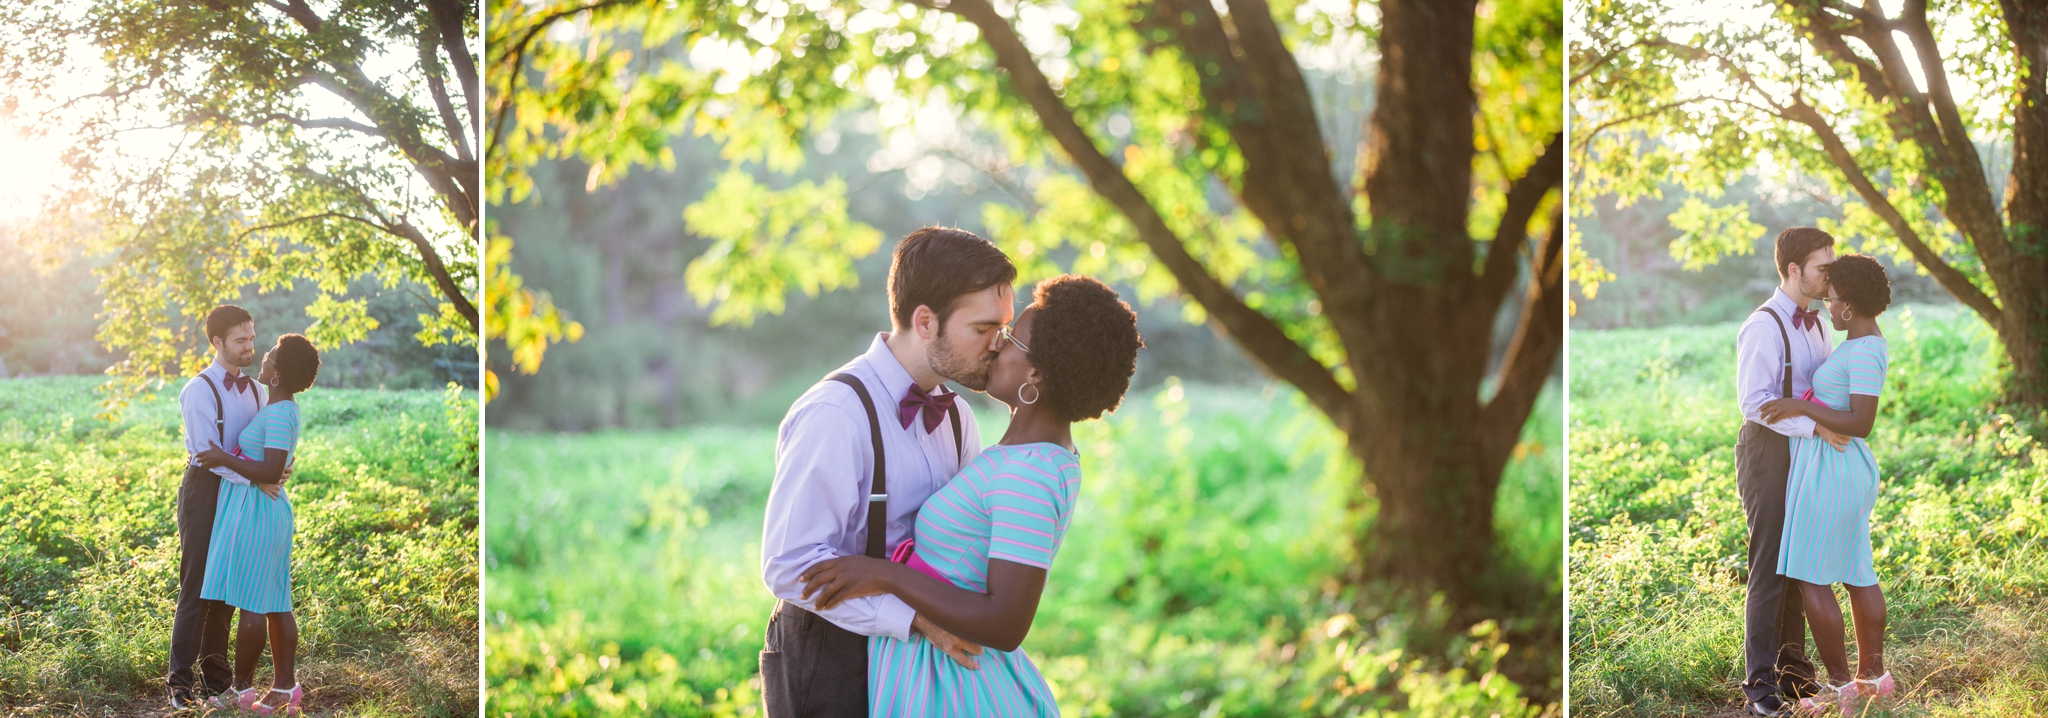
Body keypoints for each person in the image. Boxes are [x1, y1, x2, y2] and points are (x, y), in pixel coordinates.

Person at [798, 275, 1144, 717]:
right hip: (934, 672)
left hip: (956, 689)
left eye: (1011, 338)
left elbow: (1006, 623)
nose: (996, 346)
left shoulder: (1030, 473)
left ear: (1036, 372)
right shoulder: (1019, 456)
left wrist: (885, 574)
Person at [758, 227, 1016, 717]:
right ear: (925, 322)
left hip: (924, 657)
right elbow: (790, 565)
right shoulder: (836, 413)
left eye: (1003, 330)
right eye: (983, 329)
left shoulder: (958, 417)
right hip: (830, 653)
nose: (997, 346)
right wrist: (914, 617)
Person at [1757, 255, 1895, 715]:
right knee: (1857, 573)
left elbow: (1862, 421)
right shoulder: (1862, 345)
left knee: (1812, 578)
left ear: (1850, 307)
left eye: (1834, 300)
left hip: (1833, 468)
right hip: (1841, 467)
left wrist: (1801, 407)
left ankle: (1841, 686)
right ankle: (1872, 677)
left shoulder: (1865, 350)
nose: (1828, 306)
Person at [1733, 227, 1853, 716]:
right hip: (1767, 451)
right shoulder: (1763, 325)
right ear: (1793, 270)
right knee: (1767, 568)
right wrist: (1819, 428)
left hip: (1808, 452)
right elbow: (1755, 402)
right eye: (1822, 266)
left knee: (1799, 563)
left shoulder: (1820, 323)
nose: (1829, 275)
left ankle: (1796, 678)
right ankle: (1760, 686)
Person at [194, 333, 321, 716]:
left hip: (260, 512)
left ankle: (241, 689)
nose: (262, 359)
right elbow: (273, 463)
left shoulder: (281, 412)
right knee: (275, 603)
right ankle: (284, 687)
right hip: (259, 509)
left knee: (254, 603)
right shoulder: (277, 407)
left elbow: (269, 469)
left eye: (269, 358)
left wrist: (221, 456)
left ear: (278, 375)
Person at [168, 304, 265, 709]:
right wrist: (261, 475)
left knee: (225, 588)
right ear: (217, 342)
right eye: (241, 340)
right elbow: (209, 455)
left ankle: (218, 684)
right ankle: (179, 684)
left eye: (252, 337)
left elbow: (265, 445)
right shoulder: (198, 390)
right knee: (195, 588)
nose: (250, 346)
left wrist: (277, 467)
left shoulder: (259, 390)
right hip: (205, 490)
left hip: (244, 493)